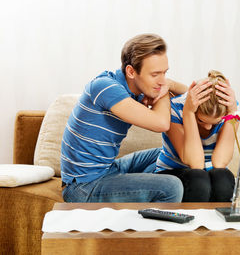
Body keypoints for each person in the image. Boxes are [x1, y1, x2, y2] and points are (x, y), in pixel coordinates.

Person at [61, 33, 187, 203]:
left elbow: (188, 97)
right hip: (83, 187)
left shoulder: (133, 90)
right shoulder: (105, 87)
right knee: (172, 187)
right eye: (155, 74)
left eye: (164, 73)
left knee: (170, 153)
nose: (161, 80)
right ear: (131, 71)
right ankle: (149, 224)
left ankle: (145, 195)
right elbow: (161, 124)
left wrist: (169, 84)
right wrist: (165, 91)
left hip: (108, 170)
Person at [155, 70, 237, 202]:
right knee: (199, 179)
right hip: (175, 172)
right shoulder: (175, 109)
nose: (208, 128)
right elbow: (195, 163)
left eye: (215, 123)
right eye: (201, 121)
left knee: (224, 178)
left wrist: (233, 113)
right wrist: (188, 113)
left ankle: (218, 221)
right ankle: (194, 221)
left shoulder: (227, 108)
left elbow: (220, 162)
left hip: (208, 175)